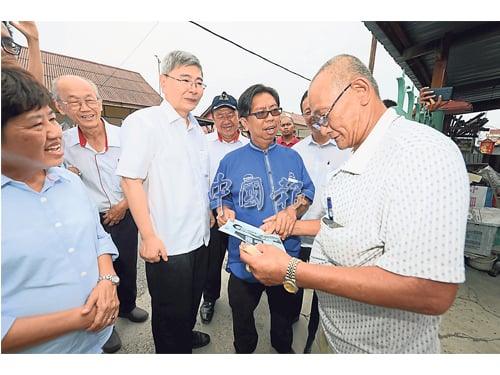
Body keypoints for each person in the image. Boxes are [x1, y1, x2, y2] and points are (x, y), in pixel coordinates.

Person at [241, 54, 470, 354]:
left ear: (360, 92)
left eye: (324, 114)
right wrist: (290, 225)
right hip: (335, 336)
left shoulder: (421, 154)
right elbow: (341, 227)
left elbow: (429, 289)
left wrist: (293, 271)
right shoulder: (357, 157)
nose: (321, 126)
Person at [1, 65, 120, 353]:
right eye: (35, 125)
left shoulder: (69, 180)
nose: (55, 133)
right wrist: (82, 317)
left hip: (95, 346)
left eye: (52, 118)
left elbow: (97, 237)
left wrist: (107, 280)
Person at [116, 50, 211, 354]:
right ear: (163, 82)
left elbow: (197, 180)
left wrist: (207, 211)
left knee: (189, 303)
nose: (193, 88)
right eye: (185, 79)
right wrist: (148, 235)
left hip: (199, 238)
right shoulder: (145, 123)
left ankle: (185, 334)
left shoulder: (196, 128)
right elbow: (130, 180)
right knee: (169, 315)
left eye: (198, 82)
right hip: (168, 244)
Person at [209, 83, 315, 353]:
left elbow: (307, 193)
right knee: (242, 318)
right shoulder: (230, 161)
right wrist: (223, 210)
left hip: (286, 255)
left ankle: (282, 347)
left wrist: (293, 211)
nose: (270, 118)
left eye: (274, 111)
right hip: (244, 258)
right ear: (244, 122)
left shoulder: (293, 157)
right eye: (261, 113)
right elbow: (219, 195)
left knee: (284, 317)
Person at [52, 75, 149, 353]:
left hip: (125, 211)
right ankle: (106, 327)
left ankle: (128, 306)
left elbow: (144, 173)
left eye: (90, 99)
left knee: (127, 265)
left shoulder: (126, 137)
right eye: (75, 102)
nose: (85, 107)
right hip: (90, 219)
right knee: (97, 275)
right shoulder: (63, 143)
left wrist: (124, 205)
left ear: (101, 103)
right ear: (62, 109)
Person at [291, 89, 352, 352]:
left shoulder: (347, 149)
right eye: (307, 112)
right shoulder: (295, 151)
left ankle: (311, 341)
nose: (313, 117)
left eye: (318, 112)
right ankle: (291, 319)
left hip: (329, 239)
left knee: (322, 297)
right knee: (291, 286)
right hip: (296, 236)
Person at [199, 91, 249, 324]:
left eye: (231, 114)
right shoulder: (203, 144)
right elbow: (199, 179)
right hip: (214, 212)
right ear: (213, 118)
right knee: (211, 260)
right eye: (220, 115)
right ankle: (209, 298)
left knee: (245, 257)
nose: (226, 120)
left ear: (239, 117)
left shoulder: (249, 145)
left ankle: (248, 296)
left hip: (244, 213)